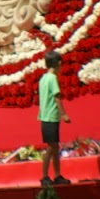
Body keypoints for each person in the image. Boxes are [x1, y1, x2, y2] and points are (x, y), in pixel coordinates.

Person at [39, 50, 71, 186]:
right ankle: (44, 176)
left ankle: (57, 175)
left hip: (46, 117)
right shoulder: (52, 79)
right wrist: (64, 114)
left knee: (55, 147)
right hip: (51, 117)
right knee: (51, 148)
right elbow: (57, 97)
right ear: (58, 64)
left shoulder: (43, 78)